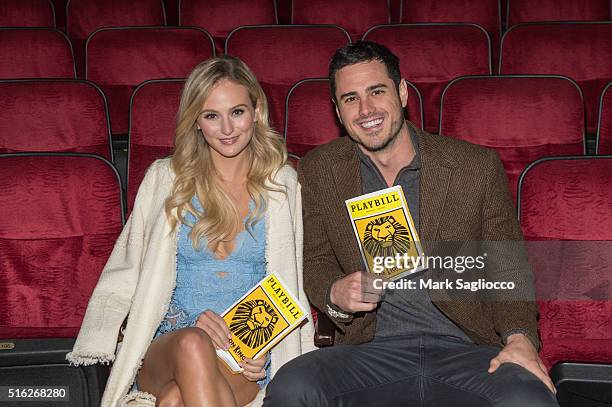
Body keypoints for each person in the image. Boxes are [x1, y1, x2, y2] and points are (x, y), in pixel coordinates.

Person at [263, 42, 559, 406]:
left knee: (528, 398)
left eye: (376, 91)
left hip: (465, 349)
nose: (366, 109)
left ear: (401, 93)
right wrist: (335, 293)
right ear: (338, 111)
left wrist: (520, 340)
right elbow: (316, 260)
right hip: (371, 352)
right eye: (350, 99)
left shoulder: (474, 167)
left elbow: (507, 267)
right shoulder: (320, 169)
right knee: (292, 386)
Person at [67, 56, 315, 407]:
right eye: (212, 116)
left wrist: (266, 346)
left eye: (237, 112)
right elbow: (131, 264)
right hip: (169, 343)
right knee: (193, 343)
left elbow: (289, 280)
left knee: (172, 401)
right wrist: (190, 323)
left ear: (256, 112)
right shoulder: (166, 178)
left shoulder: (282, 183)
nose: (227, 128)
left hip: (243, 357)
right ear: (197, 122)